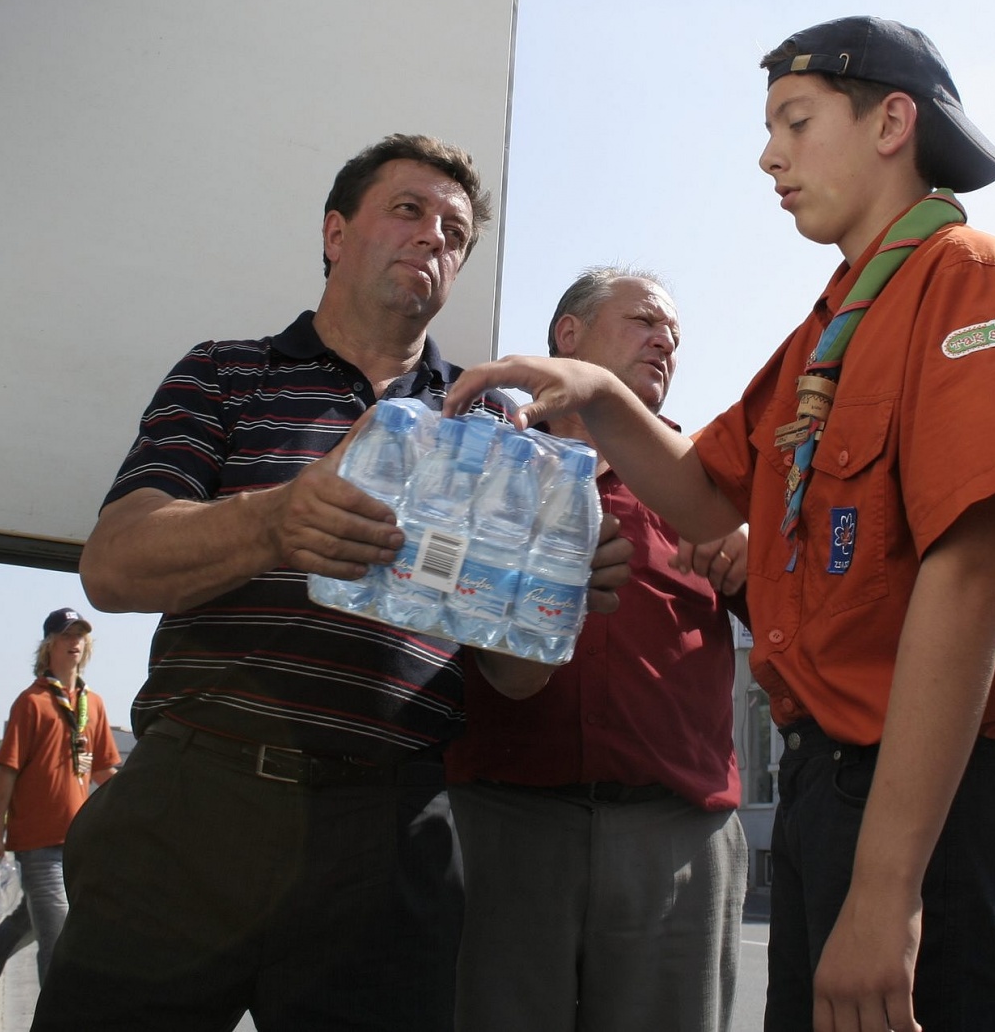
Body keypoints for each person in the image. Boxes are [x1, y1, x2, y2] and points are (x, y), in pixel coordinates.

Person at [446, 16, 995, 1032]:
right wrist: (599, 395)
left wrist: (887, 887)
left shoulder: (968, 275)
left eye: (795, 121)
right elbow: (708, 496)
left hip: (940, 801)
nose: (768, 155)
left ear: (892, 122)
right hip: (833, 787)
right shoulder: (826, 334)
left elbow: (972, 573)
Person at [31, 134, 628, 1032]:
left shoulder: (496, 426)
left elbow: (514, 676)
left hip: (390, 832)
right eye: (408, 210)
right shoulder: (225, 375)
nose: (433, 236)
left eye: (455, 232)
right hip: (195, 803)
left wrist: (550, 593)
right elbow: (114, 566)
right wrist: (275, 519)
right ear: (336, 232)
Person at [447, 267, 750, 1032]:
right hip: (504, 824)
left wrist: (755, 547)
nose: (664, 342)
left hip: (675, 836)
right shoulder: (487, 460)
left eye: (674, 337)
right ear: (568, 338)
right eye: (645, 321)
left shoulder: (715, 480)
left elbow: (799, 622)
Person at [0, 608, 120, 1031]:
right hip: (37, 843)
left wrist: (143, 800)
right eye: (66, 635)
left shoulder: (93, 705)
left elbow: (105, 772)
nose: (75, 641)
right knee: (58, 943)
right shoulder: (32, 702)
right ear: (49, 646)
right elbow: (8, 773)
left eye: (81, 635)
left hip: (77, 843)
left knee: (29, 922)